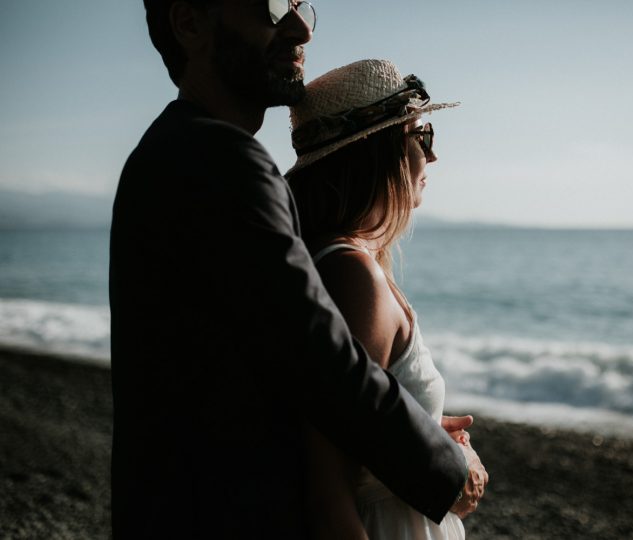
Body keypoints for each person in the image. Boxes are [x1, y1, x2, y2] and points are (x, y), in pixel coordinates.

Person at [110, 1, 486, 537]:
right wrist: (451, 472)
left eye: (297, 2)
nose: (301, 25)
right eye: (267, 3)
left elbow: (285, 368)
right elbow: (328, 366)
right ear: (189, 22)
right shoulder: (220, 163)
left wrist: (409, 428)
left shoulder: (174, 153)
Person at [286, 59, 487, 539]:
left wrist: (430, 437)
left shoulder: (344, 262)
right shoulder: (353, 278)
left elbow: (367, 430)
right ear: (382, 153)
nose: (432, 157)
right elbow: (328, 477)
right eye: (423, 136)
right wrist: (452, 464)